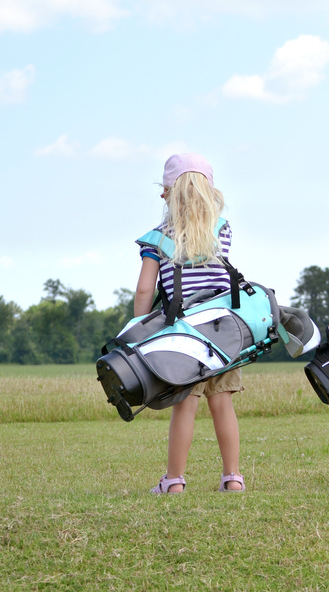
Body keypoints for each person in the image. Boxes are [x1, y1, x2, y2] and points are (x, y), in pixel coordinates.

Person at [134, 153, 245, 494]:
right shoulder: (221, 231)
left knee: (184, 406)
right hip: (224, 332)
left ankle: (175, 481)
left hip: (182, 336)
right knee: (222, 403)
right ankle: (233, 478)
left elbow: (144, 289)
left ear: (168, 193)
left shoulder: (157, 238)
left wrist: (139, 330)